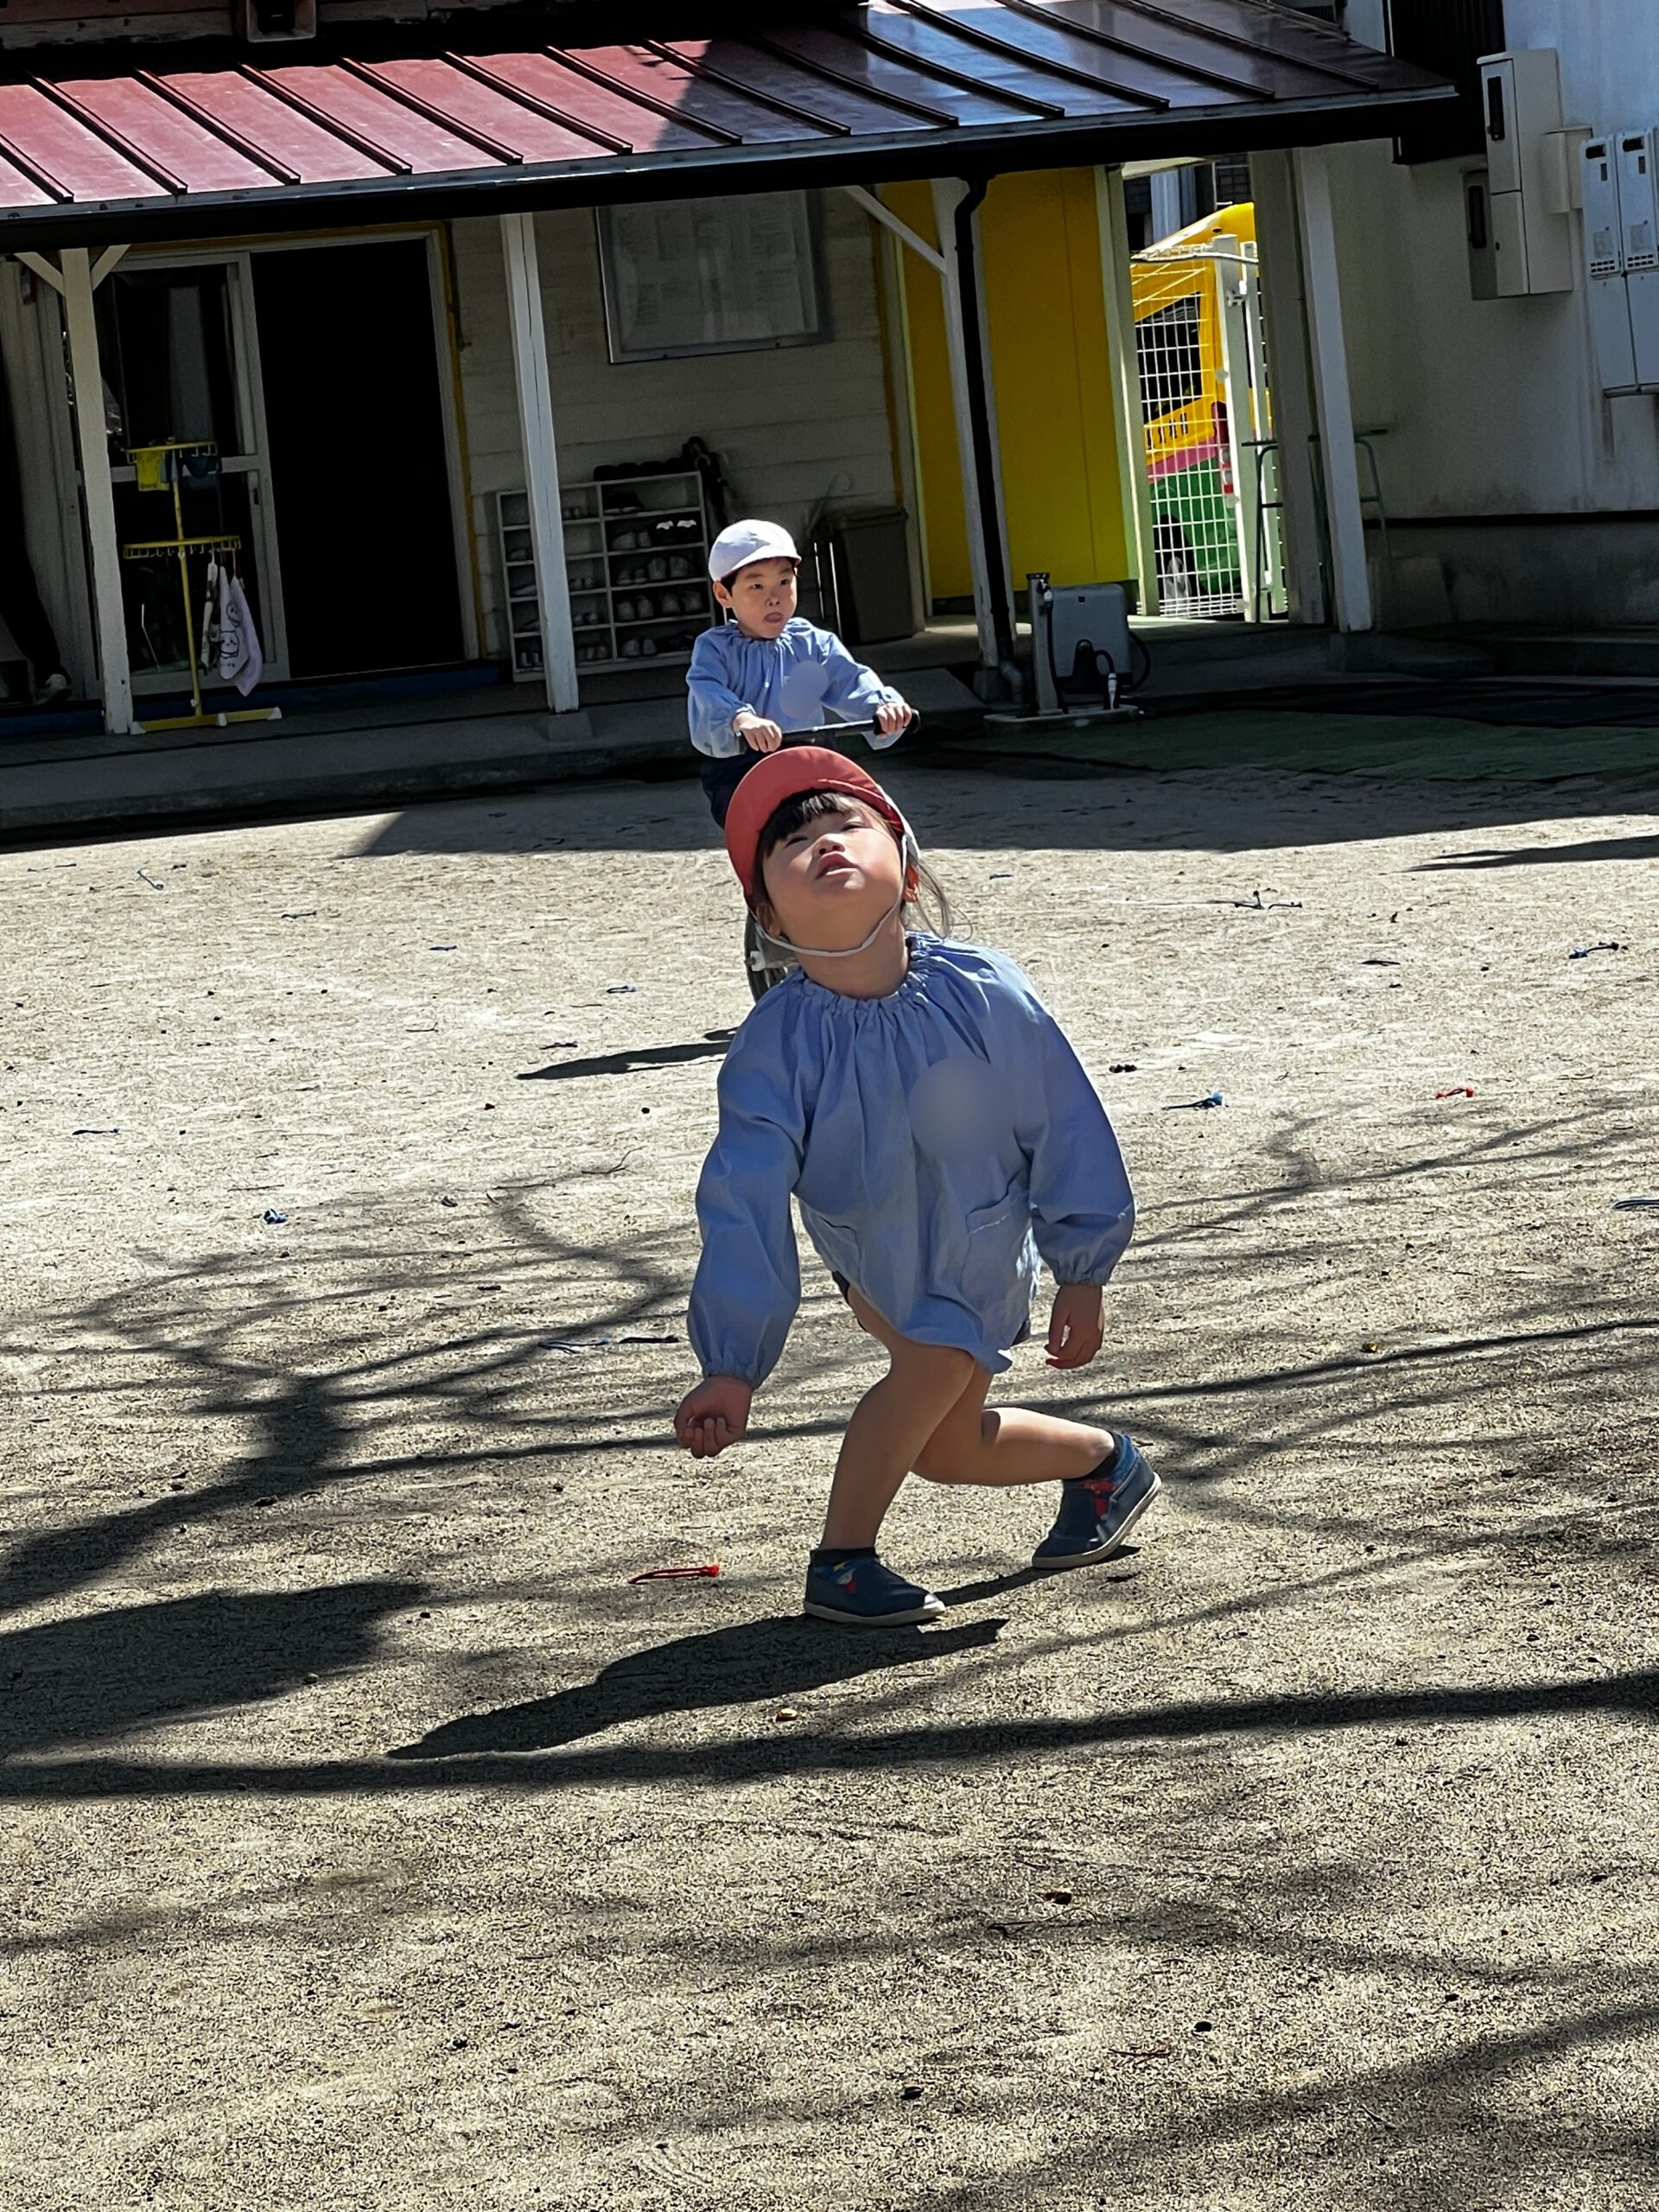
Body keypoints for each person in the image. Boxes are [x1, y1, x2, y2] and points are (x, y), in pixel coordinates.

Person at [672, 747, 1159, 1626]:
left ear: (906, 864)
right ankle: (1095, 1467)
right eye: (791, 842)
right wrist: (732, 1365)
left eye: (846, 823)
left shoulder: (984, 991)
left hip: (983, 1246)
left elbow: (1062, 1120)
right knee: (938, 1412)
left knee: (939, 1412)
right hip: (873, 1259)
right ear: (766, 913)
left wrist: (1083, 1266)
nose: (823, 842)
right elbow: (743, 1201)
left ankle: (857, 1556)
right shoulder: (775, 1046)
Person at [686, 518, 914, 829]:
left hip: (810, 757)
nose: (774, 597)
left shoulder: (812, 643)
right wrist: (741, 719)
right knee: (771, 827)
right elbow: (708, 691)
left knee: (862, 815)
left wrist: (882, 707)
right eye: (756, 586)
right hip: (741, 766)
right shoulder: (714, 648)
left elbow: (849, 679)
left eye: (784, 581)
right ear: (723, 594)